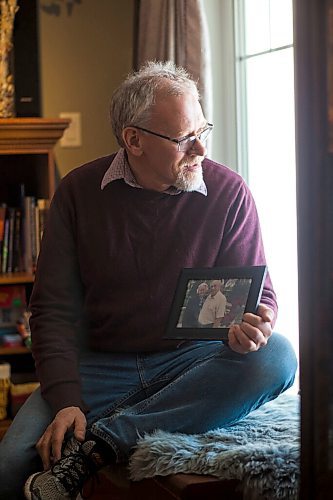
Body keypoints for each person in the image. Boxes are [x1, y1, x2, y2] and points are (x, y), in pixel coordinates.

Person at [0, 61, 297, 500]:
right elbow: (52, 312)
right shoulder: (79, 194)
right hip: (101, 366)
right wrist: (65, 399)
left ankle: (101, 445)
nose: (200, 149)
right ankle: (117, 427)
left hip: (192, 362)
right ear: (133, 140)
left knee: (277, 357)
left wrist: (258, 323)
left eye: (203, 130)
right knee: (9, 465)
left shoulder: (229, 192)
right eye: (184, 139)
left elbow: (258, 290)